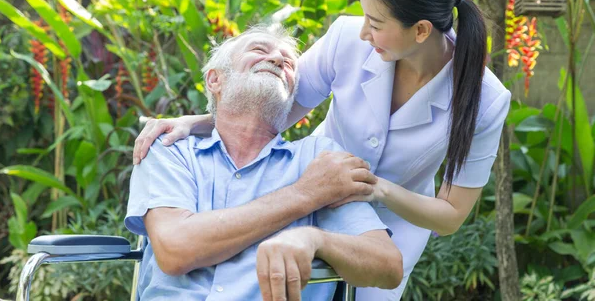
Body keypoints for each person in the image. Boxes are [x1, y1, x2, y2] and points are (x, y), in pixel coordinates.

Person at [132, 0, 511, 300]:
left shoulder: (487, 101)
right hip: (316, 188)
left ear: (421, 31)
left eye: (375, 23)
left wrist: (374, 189)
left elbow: (449, 216)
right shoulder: (348, 39)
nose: (364, 32)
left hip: (385, 225)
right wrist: (193, 122)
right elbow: (276, 104)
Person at [125, 25, 403, 301]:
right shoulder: (170, 148)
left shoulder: (318, 159)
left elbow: (388, 266)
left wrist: (315, 239)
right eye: (259, 50)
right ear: (214, 80)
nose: (278, 60)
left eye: (289, 62)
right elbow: (175, 250)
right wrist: (305, 194)